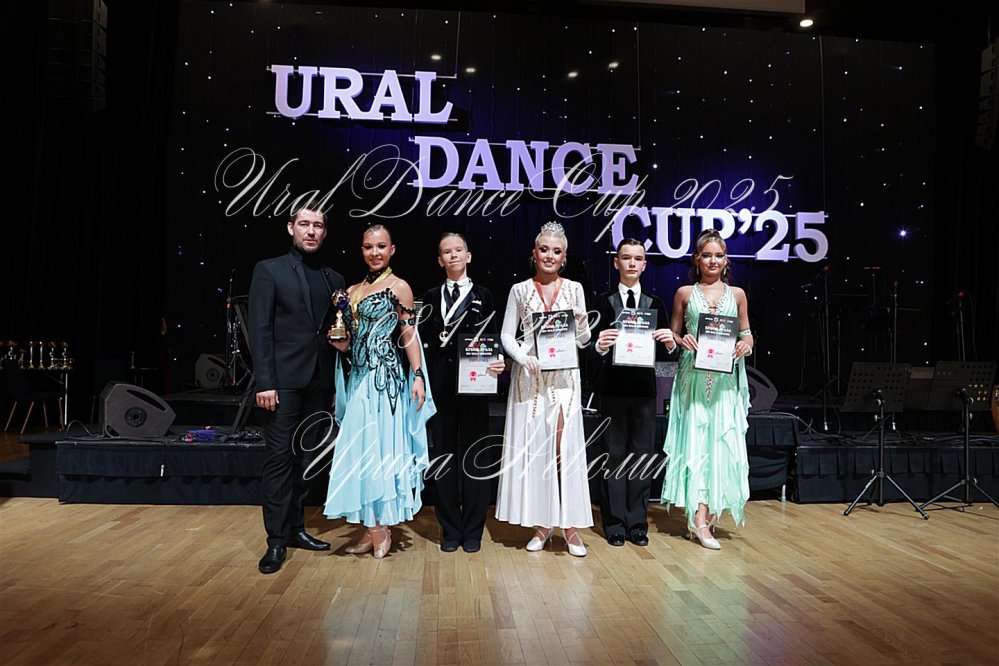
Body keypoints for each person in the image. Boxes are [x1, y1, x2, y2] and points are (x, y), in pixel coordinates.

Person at [324, 225, 435, 558]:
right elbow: (350, 342)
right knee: (359, 452)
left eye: (381, 246)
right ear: (361, 250)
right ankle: (371, 526)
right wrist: (342, 344)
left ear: (392, 250)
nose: (375, 252)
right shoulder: (352, 291)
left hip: (385, 382)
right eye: (369, 247)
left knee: (380, 450)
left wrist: (418, 375)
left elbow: (408, 334)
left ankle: (381, 527)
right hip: (358, 380)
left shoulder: (399, 287)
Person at [248, 202, 345, 574]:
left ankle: (295, 529)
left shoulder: (334, 278)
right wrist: (265, 382)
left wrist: (334, 383)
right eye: (304, 224)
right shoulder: (269, 270)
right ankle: (275, 541)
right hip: (282, 384)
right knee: (279, 461)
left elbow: (334, 332)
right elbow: (260, 329)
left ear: (325, 232)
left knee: (305, 461)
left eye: (318, 225)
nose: (311, 231)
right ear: (291, 228)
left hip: (319, 383)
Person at [496, 221, 593, 557]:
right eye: (544, 249)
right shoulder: (519, 290)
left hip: (564, 380)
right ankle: (542, 524)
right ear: (534, 253)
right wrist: (522, 357)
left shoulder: (575, 289)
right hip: (531, 378)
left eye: (556, 251)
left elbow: (583, 341)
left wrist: (583, 327)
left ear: (564, 257)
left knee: (563, 450)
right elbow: (507, 334)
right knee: (537, 451)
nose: (549, 255)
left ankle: (571, 526)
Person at [661, 229, 754, 550]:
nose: (713, 261)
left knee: (720, 443)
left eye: (719, 255)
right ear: (697, 259)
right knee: (698, 443)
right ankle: (698, 519)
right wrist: (681, 339)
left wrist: (746, 345)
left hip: (725, 380)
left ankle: (709, 513)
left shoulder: (737, 294)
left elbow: (747, 333)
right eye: (707, 255)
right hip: (694, 379)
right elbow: (673, 334)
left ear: (726, 260)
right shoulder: (684, 293)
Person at [418, 233, 505, 554]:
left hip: (475, 388)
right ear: (439, 260)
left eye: (458, 250)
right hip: (440, 390)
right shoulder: (430, 297)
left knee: (474, 458)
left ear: (468, 256)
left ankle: (473, 529)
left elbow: (494, 340)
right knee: (443, 458)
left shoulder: (484, 295)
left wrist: (499, 361)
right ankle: (450, 528)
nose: (453, 255)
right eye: (446, 252)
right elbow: (420, 343)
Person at [589, 238, 676, 547]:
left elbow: (664, 354)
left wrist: (670, 343)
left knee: (641, 456)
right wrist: (599, 346)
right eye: (626, 258)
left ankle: (637, 523)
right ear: (617, 263)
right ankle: (614, 522)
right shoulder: (603, 301)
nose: (631, 263)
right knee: (613, 456)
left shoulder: (656, 304)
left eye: (637, 258)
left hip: (643, 391)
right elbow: (589, 347)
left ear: (644, 264)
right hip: (612, 390)